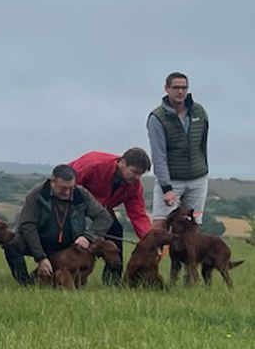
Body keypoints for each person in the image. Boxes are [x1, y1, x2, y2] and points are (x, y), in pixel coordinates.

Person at [3, 165, 114, 285]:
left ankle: (75, 280)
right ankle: (25, 283)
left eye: (71, 188)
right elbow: (28, 226)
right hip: (40, 241)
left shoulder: (81, 194)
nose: (67, 192)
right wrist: (40, 257)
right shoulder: (37, 195)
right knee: (13, 244)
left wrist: (88, 236)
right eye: (63, 188)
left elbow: (104, 217)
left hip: (69, 245)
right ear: (52, 182)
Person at [68, 148, 152, 285]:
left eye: (140, 175)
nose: (137, 178)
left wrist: (150, 240)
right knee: (72, 230)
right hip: (73, 200)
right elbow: (68, 185)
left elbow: (138, 215)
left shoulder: (134, 186)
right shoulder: (93, 164)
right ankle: (66, 272)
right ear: (122, 163)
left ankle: (113, 281)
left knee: (115, 230)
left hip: (102, 207)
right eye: (134, 172)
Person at [147, 72, 209, 229]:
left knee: (193, 227)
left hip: (197, 180)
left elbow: (202, 143)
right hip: (171, 180)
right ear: (167, 89)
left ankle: (189, 255)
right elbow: (159, 155)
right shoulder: (157, 118)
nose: (180, 92)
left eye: (184, 88)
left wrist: (203, 168)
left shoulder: (199, 112)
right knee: (160, 226)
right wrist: (166, 188)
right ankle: (154, 255)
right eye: (176, 88)